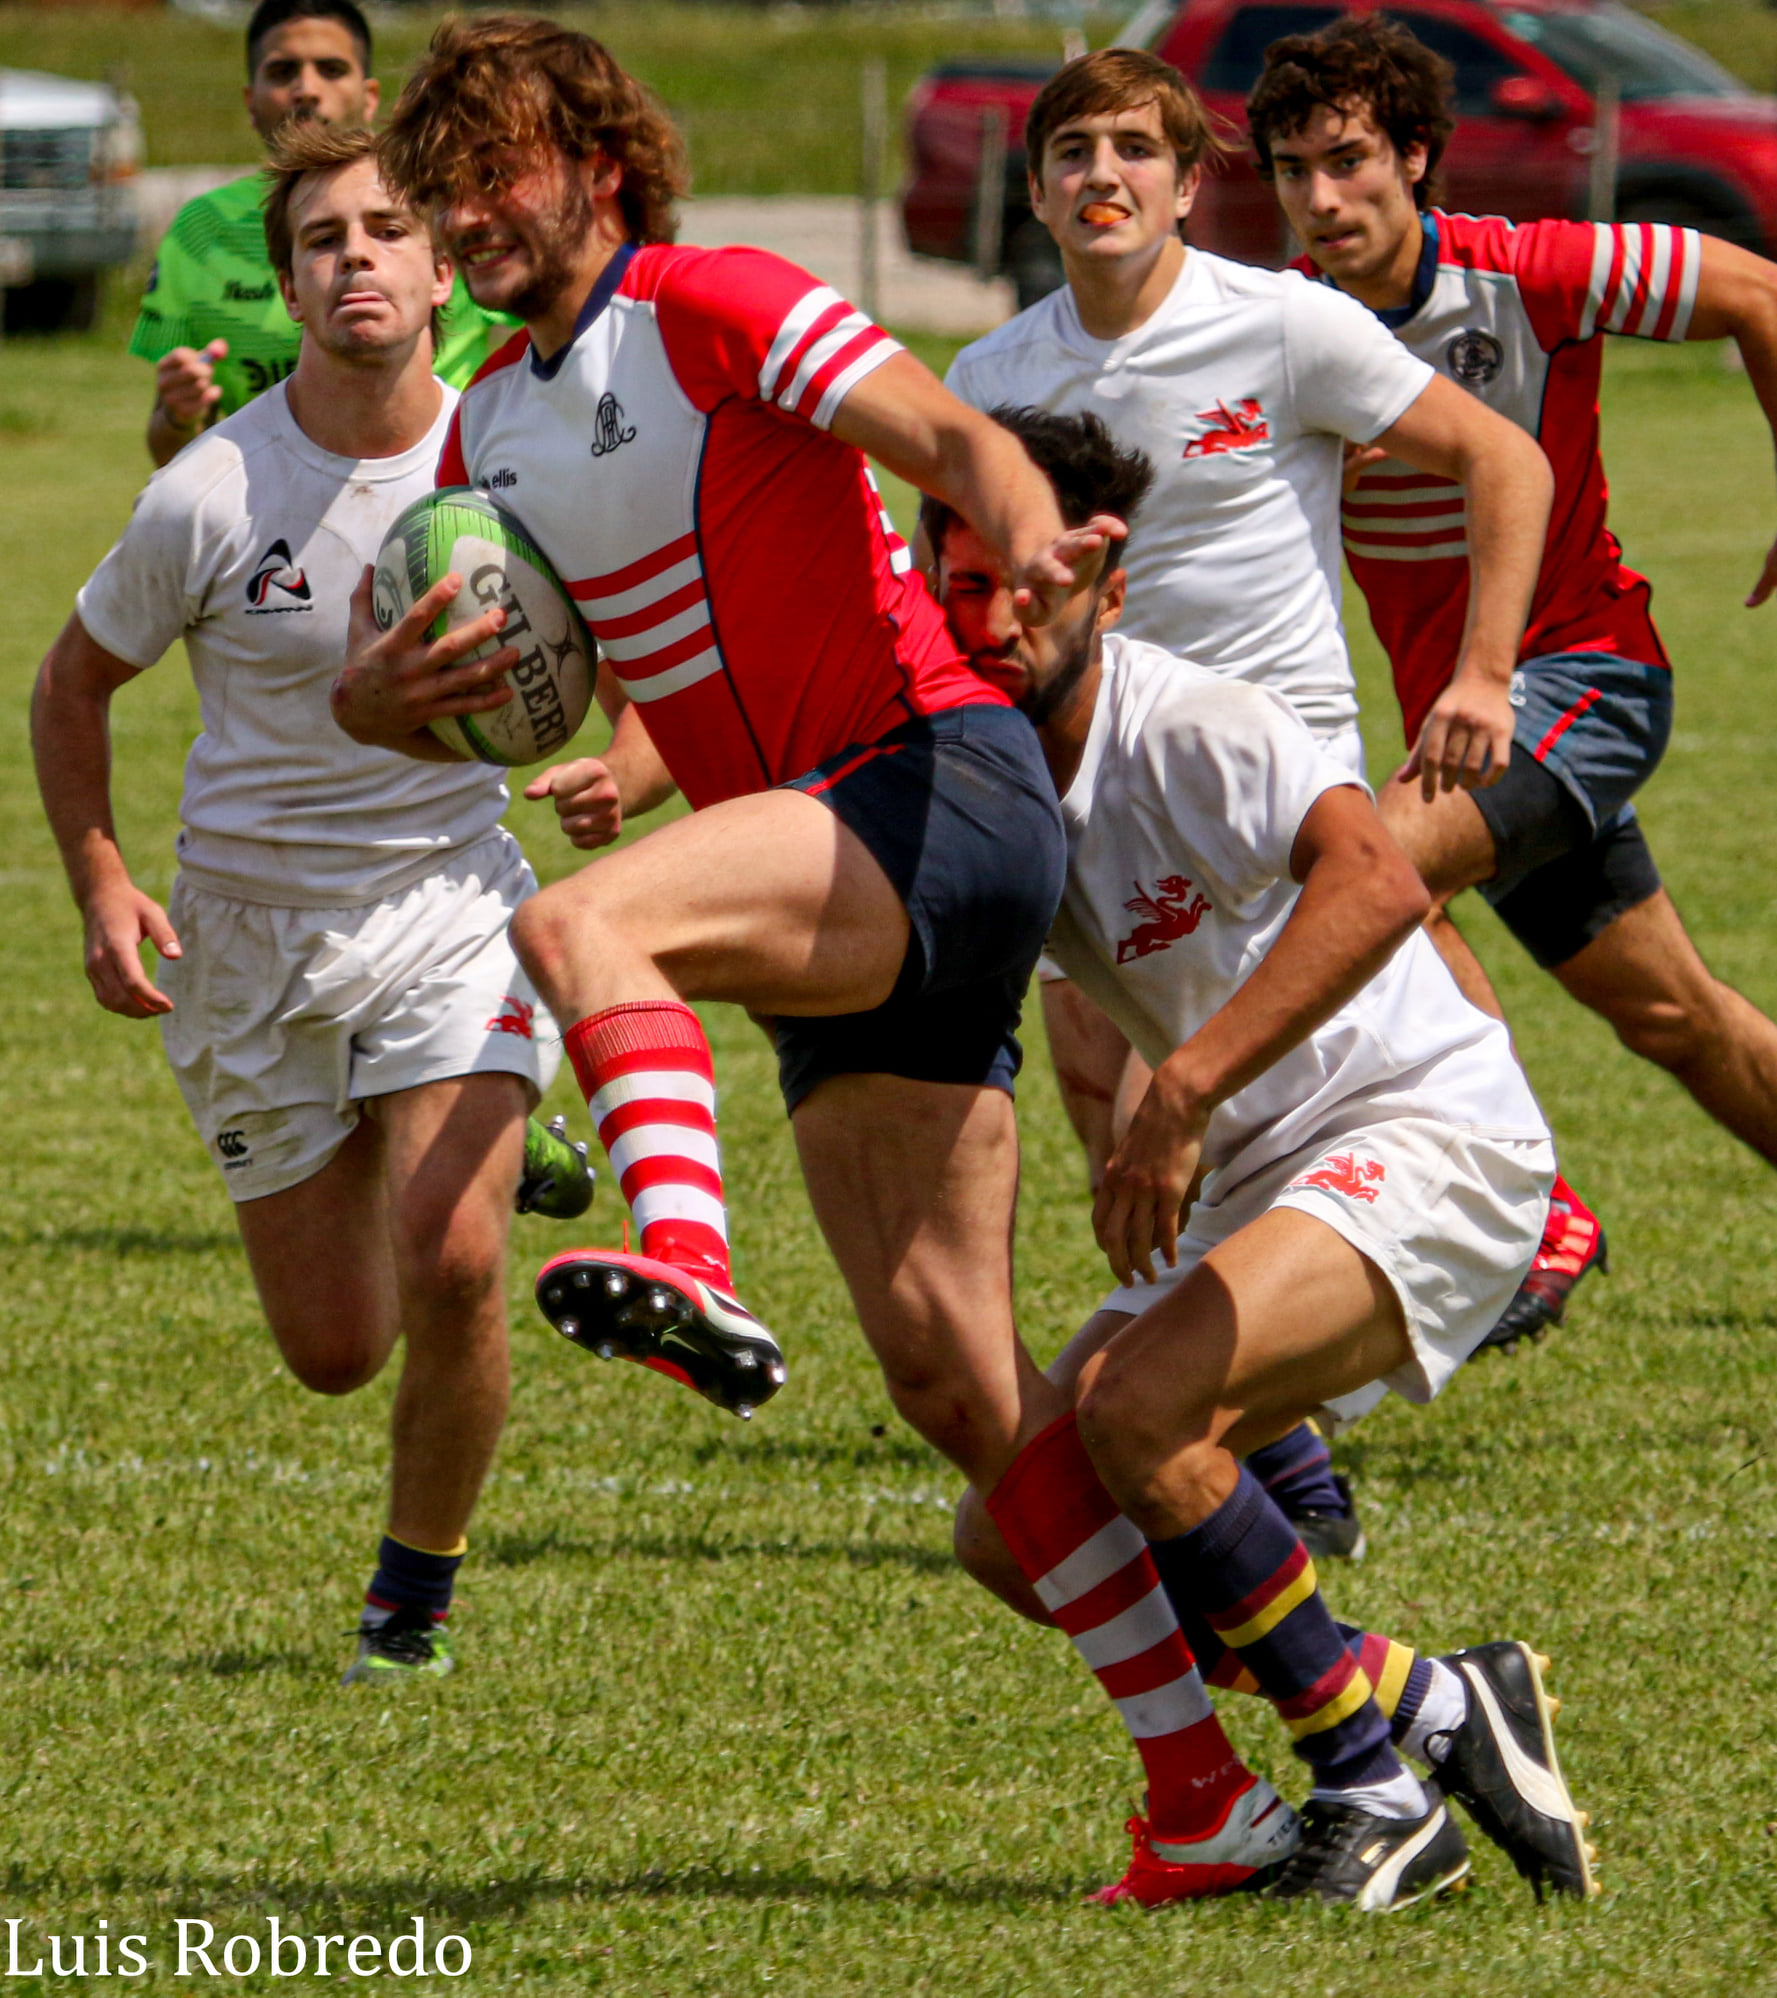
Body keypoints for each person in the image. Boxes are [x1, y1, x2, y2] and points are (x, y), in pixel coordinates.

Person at [338, 12, 1310, 1895]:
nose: (464, 212)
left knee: (579, 926)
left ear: (599, 163)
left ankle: (687, 1252)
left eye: (499, 169)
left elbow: (942, 432)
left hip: (929, 779)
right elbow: (588, 655)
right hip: (830, 861)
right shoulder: (487, 426)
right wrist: (391, 700)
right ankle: (1238, 1776)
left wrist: (1019, 518)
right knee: (955, 1371)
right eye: (440, 184)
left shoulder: (712, 299)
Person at [931, 406, 1595, 1911]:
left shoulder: (1188, 723)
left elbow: (1374, 879)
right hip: (1262, 1174)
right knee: (1015, 1522)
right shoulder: (985, 773)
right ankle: (1425, 1702)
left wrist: (1185, 1084)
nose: (994, 617)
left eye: (1025, 582)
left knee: (1142, 1412)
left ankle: (1371, 1788)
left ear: (1101, 576)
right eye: (959, 581)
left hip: (1428, 1130)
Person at [941, 46, 1556, 1550]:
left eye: (1135, 152)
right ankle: (1254, 1436)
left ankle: (1448, 1221)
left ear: (1186, 184)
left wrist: (1481, 676)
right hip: (1087, 773)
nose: (1104, 176)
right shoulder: (987, 380)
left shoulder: (1280, 325)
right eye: (1072, 152)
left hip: (1276, 776)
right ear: (1034, 189)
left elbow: (1502, 459)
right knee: (1113, 1084)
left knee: (1265, 1048)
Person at [33, 124, 587, 1685]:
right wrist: (100, 880)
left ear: (435, 269)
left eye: (386, 229)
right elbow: (70, 687)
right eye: (325, 238)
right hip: (251, 932)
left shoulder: (516, 456)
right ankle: (486, 1129)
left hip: (445, 900)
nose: (357, 255)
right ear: (288, 282)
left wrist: (644, 768)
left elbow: (645, 624)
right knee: (337, 1349)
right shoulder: (214, 491)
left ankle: (409, 1607)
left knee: (458, 1260)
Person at [1249, 15, 1777, 1345]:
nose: (1323, 198)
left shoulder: (1529, 270)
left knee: (1368, 869)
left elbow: (1758, 292)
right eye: (1295, 170)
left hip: (1584, 676)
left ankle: (1530, 1200)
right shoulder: (1278, 335)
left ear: (1416, 156)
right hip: (1476, 736)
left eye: (1351, 160)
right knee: (1681, 1020)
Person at [131, 0, 514, 469]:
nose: (306, 90)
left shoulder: (445, 206)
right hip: (273, 510)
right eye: (283, 71)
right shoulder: (200, 230)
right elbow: (171, 453)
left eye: (331, 69)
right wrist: (177, 415)